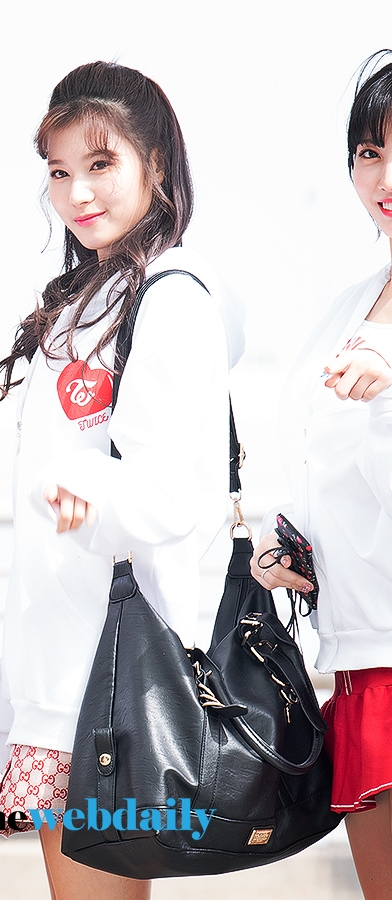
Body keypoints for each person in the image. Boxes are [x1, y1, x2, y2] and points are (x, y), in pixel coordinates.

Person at [0, 60, 243, 899]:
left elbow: (176, 493)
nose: (77, 193)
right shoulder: (80, 300)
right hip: (57, 670)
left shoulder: (172, 296)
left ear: (154, 163)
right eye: (59, 172)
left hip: (111, 680)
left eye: (101, 165)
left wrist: (89, 492)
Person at [250, 51, 392, 900]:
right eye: (370, 153)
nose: (386, 178)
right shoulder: (351, 303)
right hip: (362, 650)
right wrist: (282, 543)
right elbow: (311, 457)